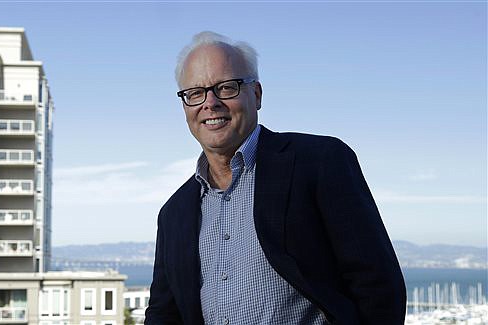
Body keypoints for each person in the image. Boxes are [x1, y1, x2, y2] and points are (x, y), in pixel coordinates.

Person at [145, 31, 406, 325]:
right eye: (195, 93)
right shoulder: (173, 213)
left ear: (256, 94)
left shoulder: (319, 161)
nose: (211, 103)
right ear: (185, 106)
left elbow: (378, 287)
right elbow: (163, 314)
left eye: (227, 87)